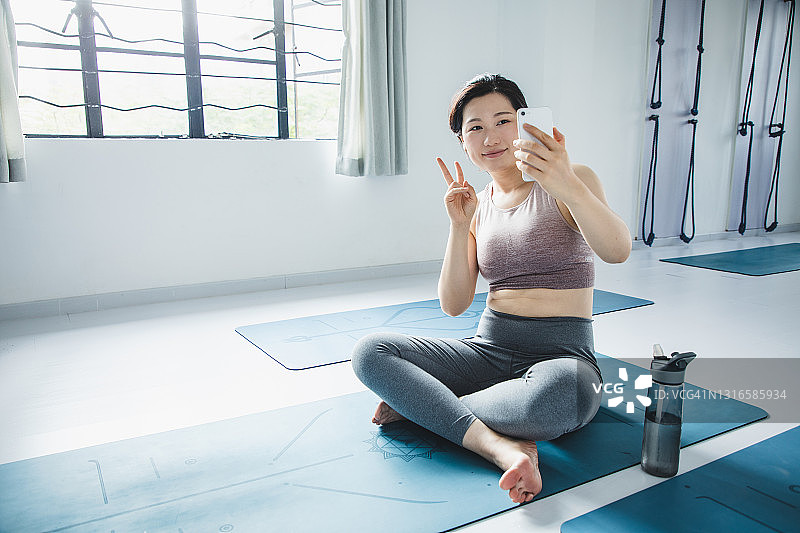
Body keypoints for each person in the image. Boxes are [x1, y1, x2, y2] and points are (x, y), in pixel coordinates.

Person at [351, 74, 632, 504]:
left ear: (524, 123)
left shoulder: (571, 179)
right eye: (476, 127)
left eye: (503, 120)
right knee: (370, 352)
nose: (491, 137)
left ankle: (427, 407)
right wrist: (459, 225)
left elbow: (617, 250)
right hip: (488, 350)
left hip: (562, 356)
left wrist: (567, 184)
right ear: (462, 142)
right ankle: (500, 446)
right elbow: (453, 304)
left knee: (561, 398)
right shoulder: (477, 205)